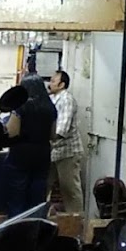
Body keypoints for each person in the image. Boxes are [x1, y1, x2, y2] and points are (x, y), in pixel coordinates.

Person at [5, 75, 58, 217]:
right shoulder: (50, 108)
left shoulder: (21, 107)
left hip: (21, 154)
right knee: (37, 197)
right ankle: (35, 229)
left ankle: (16, 229)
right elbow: (53, 135)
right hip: (42, 154)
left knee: (17, 197)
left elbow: (12, 132)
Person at [48, 69, 84, 214]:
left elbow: (62, 130)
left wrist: (46, 140)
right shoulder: (53, 99)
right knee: (45, 185)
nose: (49, 84)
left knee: (70, 190)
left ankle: (76, 223)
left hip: (68, 152)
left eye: (53, 81)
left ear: (62, 84)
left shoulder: (66, 100)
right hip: (54, 151)